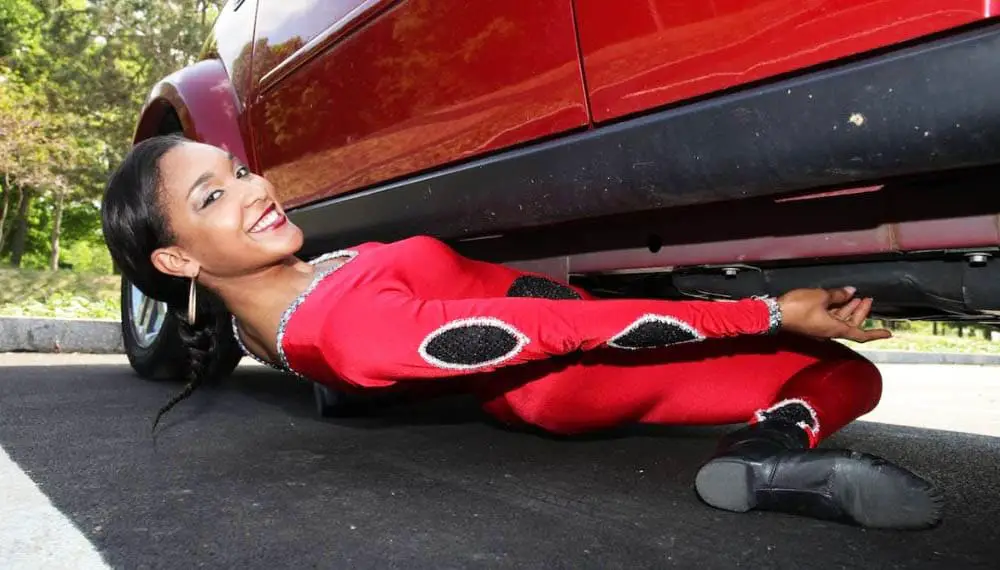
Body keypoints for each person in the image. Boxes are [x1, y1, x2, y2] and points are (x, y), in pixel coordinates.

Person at [101, 134, 942, 530]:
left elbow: (298, 341)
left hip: (531, 361)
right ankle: (764, 453)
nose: (254, 189)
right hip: (571, 373)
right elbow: (568, 328)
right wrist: (769, 312)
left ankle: (766, 448)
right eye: (214, 198)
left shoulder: (275, 305)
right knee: (844, 372)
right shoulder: (350, 329)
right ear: (177, 259)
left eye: (237, 169)